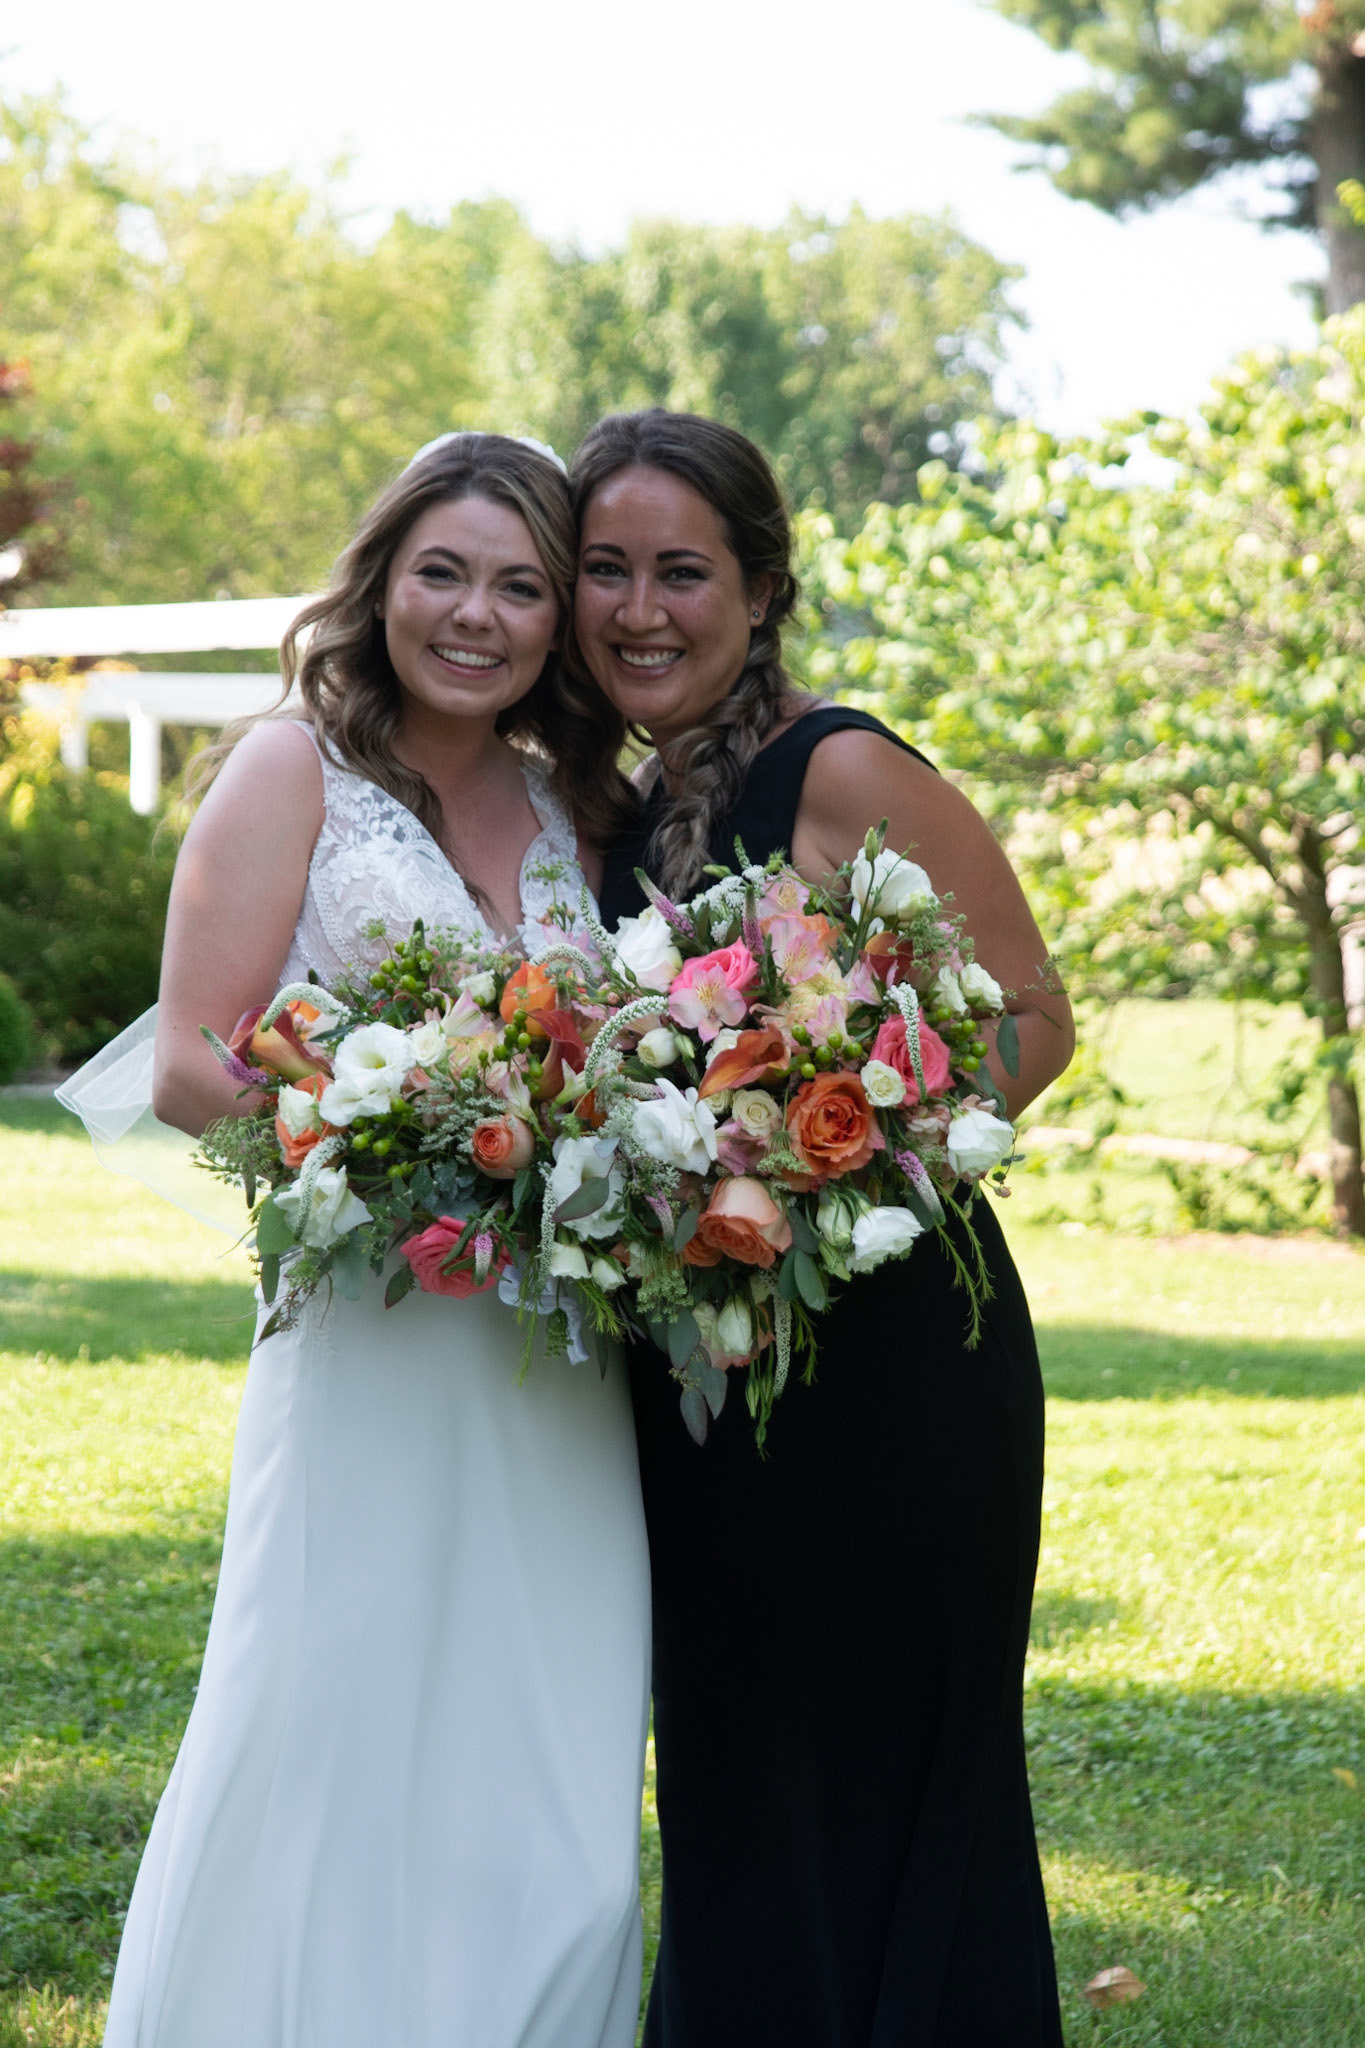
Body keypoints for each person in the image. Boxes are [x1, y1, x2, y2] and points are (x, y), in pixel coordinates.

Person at [95, 434, 651, 2048]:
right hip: (374, 1335)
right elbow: (191, 1061)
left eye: (519, 586)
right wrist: (405, 1157)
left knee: (552, 1778)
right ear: (380, 581)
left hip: (559, 1358)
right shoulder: (292, 770)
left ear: (556, 619)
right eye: (442, 573)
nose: (475, 615)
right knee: (333, 1741)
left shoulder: (573, 803)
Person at [571, 408, 1075, 2048]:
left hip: (888, 1362)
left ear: (762, 588)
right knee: (736, 1778)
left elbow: (1032, 1018)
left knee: (892, 1777)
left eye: (680, 571)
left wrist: (820, 1170)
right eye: (603, 569)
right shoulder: (619, 805)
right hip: (700, 1368)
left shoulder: (838, 766)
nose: (639, 608)